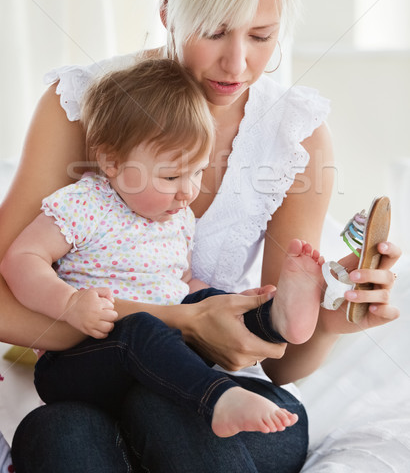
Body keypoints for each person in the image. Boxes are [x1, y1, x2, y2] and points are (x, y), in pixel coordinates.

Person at [0, 0, 400, 473]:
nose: (237, 64)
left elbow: (281, 364)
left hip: (212, 389)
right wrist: (179, 322)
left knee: (245, 416)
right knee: (63, 434)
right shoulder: (86, 107)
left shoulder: (296, 135)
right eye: (214, 31)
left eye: (261, 36)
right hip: (94, 379)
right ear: (166, 5)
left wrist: (335, 315)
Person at [2, 58, 327, 438]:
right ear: (110, 160)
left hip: (159, 353)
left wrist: (224, 302)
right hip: (81, 360)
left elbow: (182, 281)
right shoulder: (82, 203)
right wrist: (69, 304)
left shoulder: (179, 218)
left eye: (197, 171)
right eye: (172, 175)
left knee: (206, 301)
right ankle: (219, 399)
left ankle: (273, 318)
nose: (188, 190)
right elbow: (20, 259)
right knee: (141, 327)